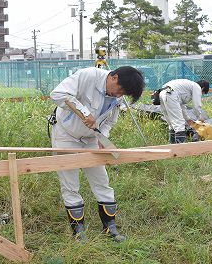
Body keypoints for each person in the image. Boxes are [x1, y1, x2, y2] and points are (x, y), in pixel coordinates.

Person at [50, 66, 145, 242]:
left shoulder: (118, 97)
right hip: (66, 135)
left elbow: (110, 122)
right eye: (120, 90)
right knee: (70, 184)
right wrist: (85, 112)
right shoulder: (88, 76)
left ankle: (110, 229)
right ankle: (79, 233)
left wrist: (104, 138)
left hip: (92, 138)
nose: (119, 95)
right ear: (114, 77)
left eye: (124, 93)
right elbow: (57, 94)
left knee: (101, 181)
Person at [152, 79, 209, 143]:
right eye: (202, 93)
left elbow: (181, 106)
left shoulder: (186, 87)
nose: (201, 94)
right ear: (203, 88)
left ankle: (173, 148)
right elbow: (197, 105)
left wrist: (188, 119)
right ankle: (180, 150)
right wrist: (200, 118)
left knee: (172, 124)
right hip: (170, 94)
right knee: (179, 124)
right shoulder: (196, 87)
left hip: (163, 93)